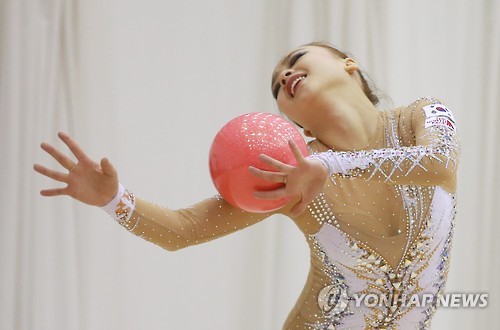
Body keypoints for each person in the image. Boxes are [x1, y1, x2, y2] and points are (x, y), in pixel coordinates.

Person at [34, 42, 460, 329]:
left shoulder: (421, 116)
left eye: (296, 59)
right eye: (277, 84)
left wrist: (329, 165)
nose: (286, 74)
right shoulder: (288, 169)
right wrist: (113, 199)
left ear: (349, 64)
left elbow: (439, 164)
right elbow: (182, 230)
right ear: (290, 118)